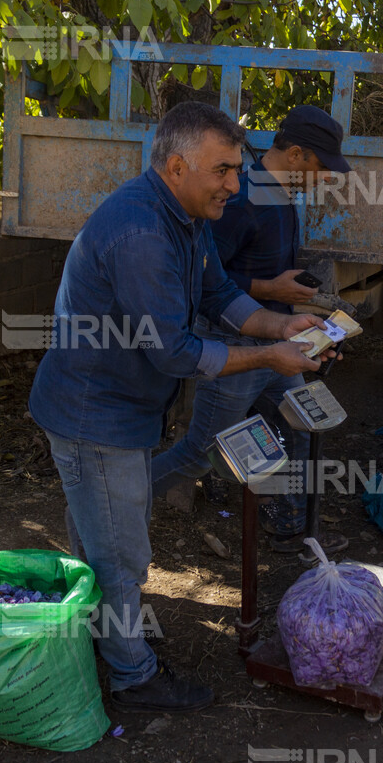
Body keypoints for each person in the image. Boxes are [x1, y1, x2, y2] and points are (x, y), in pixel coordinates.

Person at [28, 102, 334, 714]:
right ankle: (133, 677)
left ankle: (97, 639)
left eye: (236, 168)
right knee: (121, 558)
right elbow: (174, 352)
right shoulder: (142, 234)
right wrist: (272, 356)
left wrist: (281, 325)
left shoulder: (187, 215)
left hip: (121, 409)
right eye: (222, 170)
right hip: (97, 415)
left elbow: (219, 292)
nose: (233, 183)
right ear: (176, 166)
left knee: (105, 541)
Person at [151, 105, 352, 554]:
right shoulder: (241, 199)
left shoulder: (277, 193)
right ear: (297, 155)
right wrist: (269, 286)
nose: (324, 178)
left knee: (301, 425)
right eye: (321, 167)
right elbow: (206, 280)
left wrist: (287, 304)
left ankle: (288, 527)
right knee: (200, 452)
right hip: (235, 344)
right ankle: (122, 498)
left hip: (276, 340)